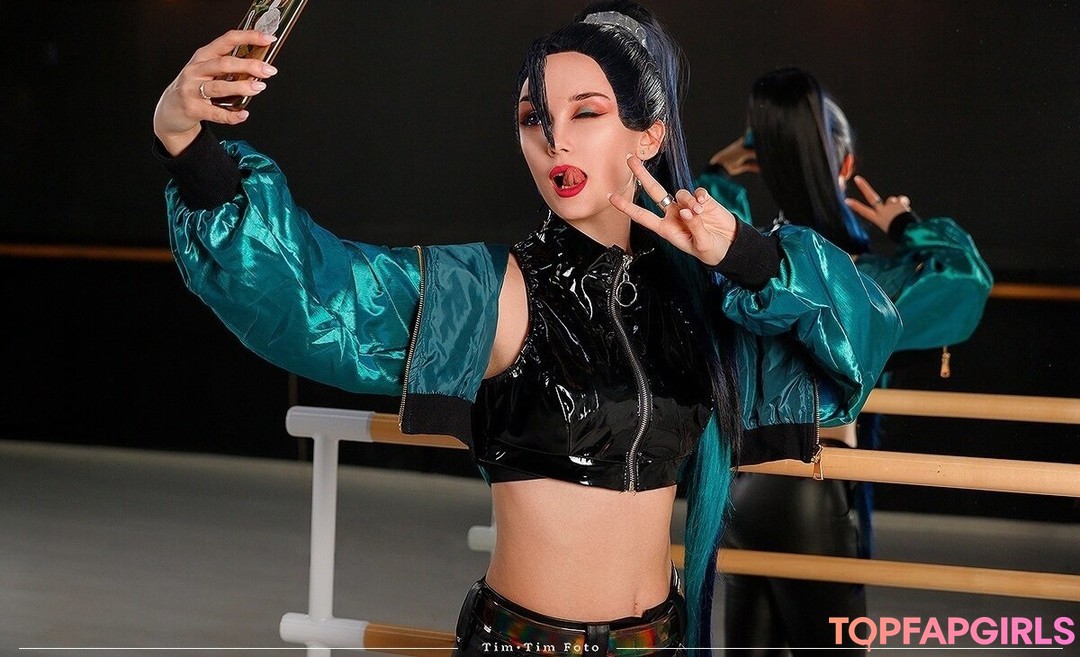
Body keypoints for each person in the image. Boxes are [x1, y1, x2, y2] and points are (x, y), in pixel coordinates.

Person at [152, 6, 901, 654]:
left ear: (648, 135)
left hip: (662, 641)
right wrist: (187, 143)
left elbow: (859, 341)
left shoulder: (704, 304)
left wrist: (745, 254)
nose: (555, 142)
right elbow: (313, 295)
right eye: (532, 119)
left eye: (586, 112)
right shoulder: (491, 291)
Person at [704, 67, 993, 654]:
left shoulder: (748, 267)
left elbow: (703, 231)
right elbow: (966, 278)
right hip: (811, 487)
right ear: (845, 166)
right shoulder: (859, 284)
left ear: (769, 167)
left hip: (737, 492)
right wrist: (905, 224)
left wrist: (719, 168)